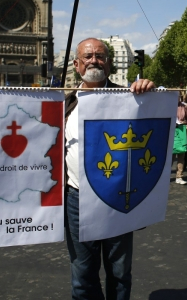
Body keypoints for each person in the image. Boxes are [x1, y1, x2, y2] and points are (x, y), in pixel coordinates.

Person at [64, 38, 155, 300]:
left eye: (101, 56)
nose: (95, 60)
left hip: (116, 198)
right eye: (89, 56)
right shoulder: (65, 102)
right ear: (77, 64)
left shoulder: (130, 98)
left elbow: (156, 113)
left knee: (119, 271)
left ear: (110, 63)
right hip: (76, 198)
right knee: (83, 274)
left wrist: (148, 91)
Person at [173, 99, 187, 185]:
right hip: (171, 131)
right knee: (171, 155)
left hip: (181, 130)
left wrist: (184, 122)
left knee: (181, 153)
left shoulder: (183, 106)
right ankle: (164, 176)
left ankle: (179, 176)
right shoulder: (166, 105)